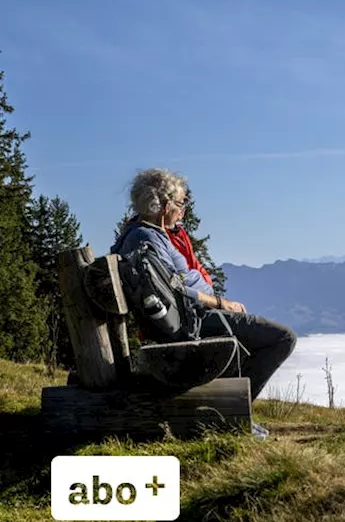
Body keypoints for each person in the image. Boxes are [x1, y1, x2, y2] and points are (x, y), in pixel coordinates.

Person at [110, 168, 296, 439]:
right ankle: (231, 417)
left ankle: (230, 414)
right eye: (179, 203)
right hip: (188, 325)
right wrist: (220, 302)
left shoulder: (150, 234)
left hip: (189, 319)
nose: (183, 210)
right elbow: (173, 291)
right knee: (281, 338)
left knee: (259, 339)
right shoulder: (145, 238)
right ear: (162, 205)